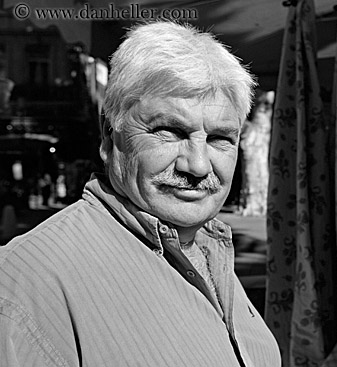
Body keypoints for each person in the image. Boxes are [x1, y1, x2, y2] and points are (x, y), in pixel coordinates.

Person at [0, 21, 281, 367]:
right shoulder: (28, 280)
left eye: (220, 139)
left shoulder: (207, 248)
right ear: (109, 134)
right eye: (169, 131)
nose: (197, 165)